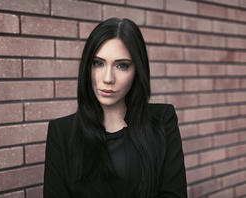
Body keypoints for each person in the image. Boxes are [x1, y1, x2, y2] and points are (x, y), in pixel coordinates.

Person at [43, 18, 187, 198]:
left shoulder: (162, 120)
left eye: (121, 66)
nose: (108, 78)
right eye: (98, 63)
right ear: (87, 67)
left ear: (137, 70)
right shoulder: (61, 132)